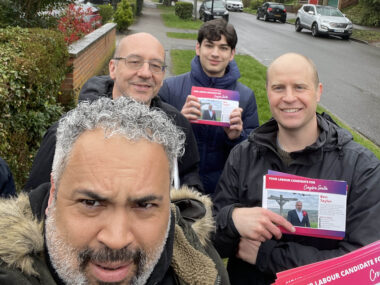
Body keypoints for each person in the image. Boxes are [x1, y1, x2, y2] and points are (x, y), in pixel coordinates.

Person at [0, 97, 229, 284]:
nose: (116, 240)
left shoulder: (205, 268)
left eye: (144, 205)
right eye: (90, 203)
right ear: (53, 196)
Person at [212, 53, 380, 284]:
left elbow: (361, 268)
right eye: (279, 88)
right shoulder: (243, 156)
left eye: (300, 87)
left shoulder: (361, 168)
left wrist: (267, 256)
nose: (289, 98)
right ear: (268, 91)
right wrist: (231, 219)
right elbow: (211, 241)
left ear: (318, 91)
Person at [24, 33, 203, 193]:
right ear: (113, 68)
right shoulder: (68, 131)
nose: (145, 73)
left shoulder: (177, 125)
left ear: (163, 76)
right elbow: (36, 202)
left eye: (156, 66)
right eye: (134, 62)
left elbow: (189, 179)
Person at [158, 19, 259, 195]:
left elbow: (255, 154)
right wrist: (178, 122)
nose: (215, 53)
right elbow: (152, 142)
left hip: (224, 192)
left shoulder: (245, 97)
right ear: (198, 48)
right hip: (177, 189)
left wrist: (237, 137)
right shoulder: (170, 88)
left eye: (223, 48)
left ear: (232, 53)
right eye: (209, 45)